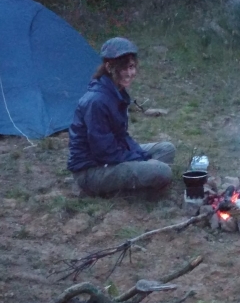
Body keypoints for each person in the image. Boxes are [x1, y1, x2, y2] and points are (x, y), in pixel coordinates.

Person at [67, 37, 176, 196]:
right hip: (91, 170)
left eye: (132, 67)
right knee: (162, 171)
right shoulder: (97, 101)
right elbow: (104, 151)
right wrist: (140, 159)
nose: (130, 73)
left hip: (109, 156)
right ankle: (128, 190)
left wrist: (140, 155)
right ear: (109, 67)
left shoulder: (116, 92)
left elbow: (121, 136)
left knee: (166, 149)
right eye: (124, 68)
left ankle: (139, 180)